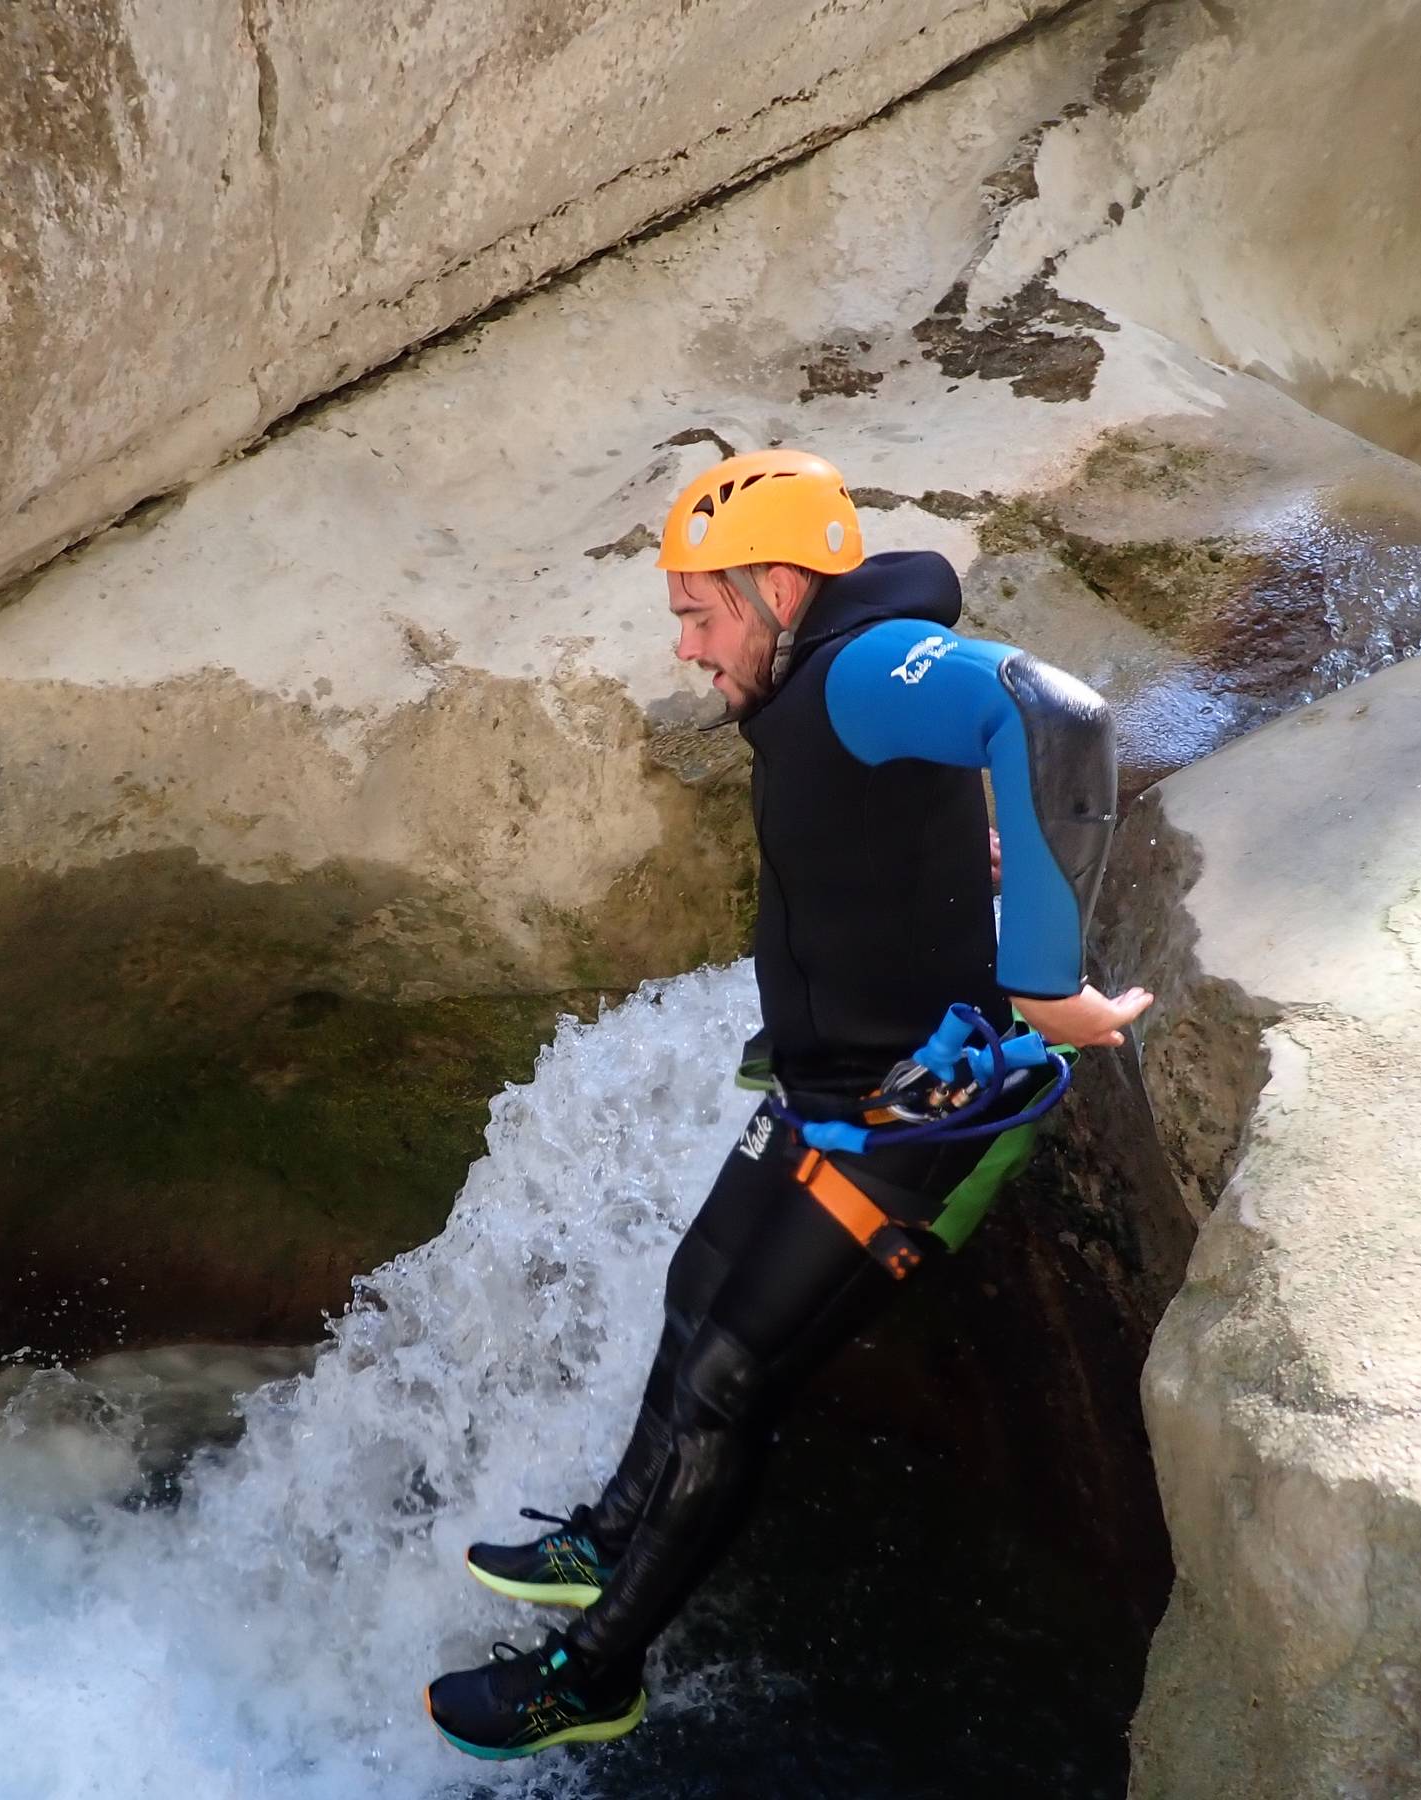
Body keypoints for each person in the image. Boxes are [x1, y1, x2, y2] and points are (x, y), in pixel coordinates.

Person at [425, 448, 1152, 1759]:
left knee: (726, 1380)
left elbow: (1056, 714)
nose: (689, 651)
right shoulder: (813, 673)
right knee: (695, 1281)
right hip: (823, 1084)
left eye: (700, 616)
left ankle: (590, 1678)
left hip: (920, 1112)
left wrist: (1044, 979)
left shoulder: (860, 669)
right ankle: (613, 1532)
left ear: (775, 587)